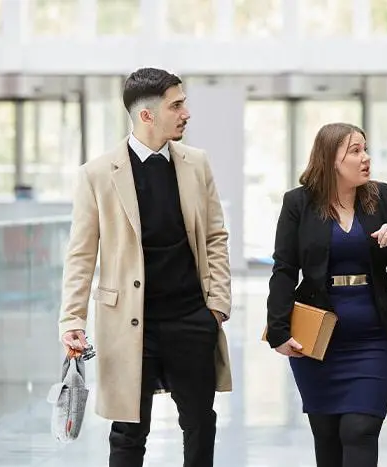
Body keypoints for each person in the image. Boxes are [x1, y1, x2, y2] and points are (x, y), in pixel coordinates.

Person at [58, 67, 233, 467]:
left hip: (192, 318)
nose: (186, 112)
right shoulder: (97, 174)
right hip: (128, 322)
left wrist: (218, 306)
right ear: (147, 115)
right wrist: (72, 319)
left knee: (201, 424)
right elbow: (81, 255)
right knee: (128, 433)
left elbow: (215, 238)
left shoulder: (197, 163)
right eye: (177, 105)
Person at [265, 123, 387, 467]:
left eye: (365, 149)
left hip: (374, 337)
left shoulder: (383, 196)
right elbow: (284, 269)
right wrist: (278, 329)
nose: (366, 158)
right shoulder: (298, 203)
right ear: (331, 159)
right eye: (356, 151)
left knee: (360, 429)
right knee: (327, 434)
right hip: (318, 339)